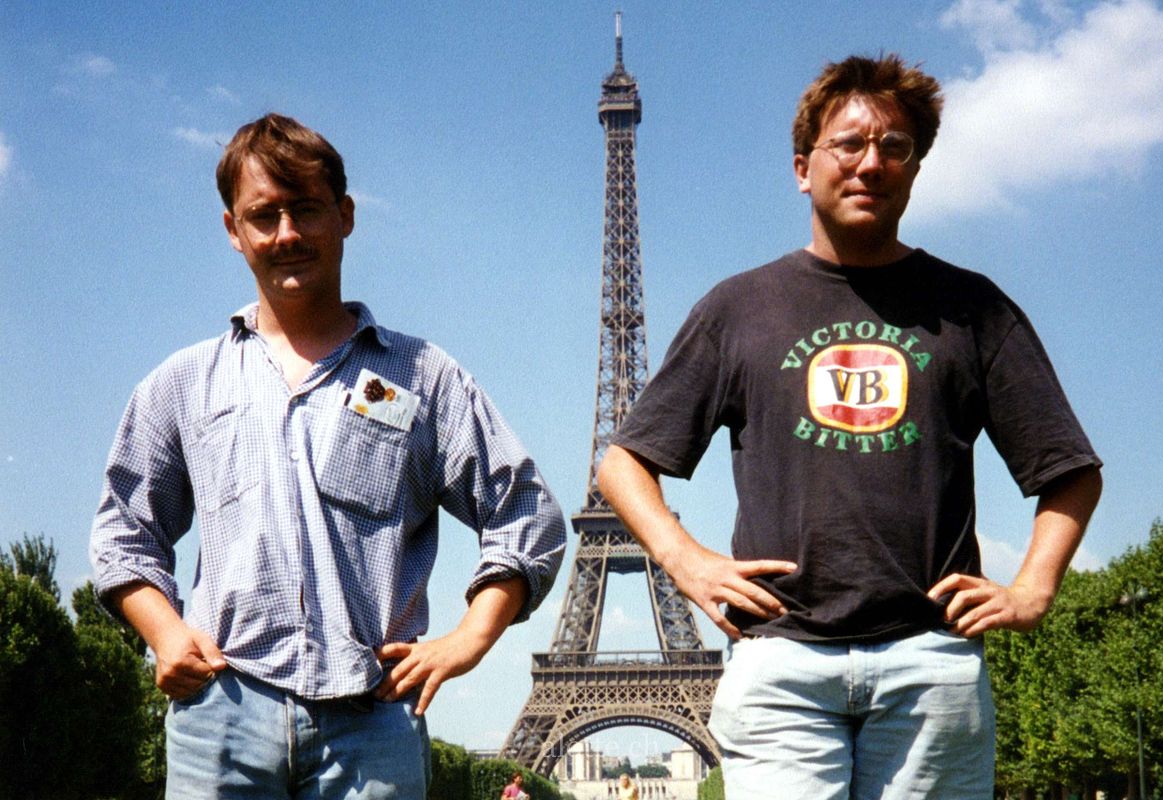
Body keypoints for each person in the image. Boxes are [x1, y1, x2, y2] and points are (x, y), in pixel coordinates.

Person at [597, 54, 1102, 799]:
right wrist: (686, 560)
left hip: (929, 660)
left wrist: (1033, 587)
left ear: (916, 169)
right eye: (850, 145)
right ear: (804, 167)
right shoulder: (738, 308)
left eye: (894, 147)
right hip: (783, 663)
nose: (872, 163)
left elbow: (1069, 468)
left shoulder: (973, 308)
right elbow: (623, 463)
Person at [90, 113, 566, 799]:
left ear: (344, 216)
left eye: (305, 210)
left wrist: (471, 637)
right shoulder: (183, 383)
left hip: (371, 719)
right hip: (221, 713)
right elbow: (122, 530)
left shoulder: (422, 378)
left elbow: (525, 512)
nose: (286, 234)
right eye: (264, 216)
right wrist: (163, 631)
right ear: (234, 231)